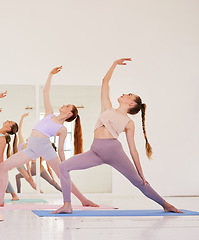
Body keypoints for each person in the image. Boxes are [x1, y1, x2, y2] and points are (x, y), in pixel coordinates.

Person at [53, 58, 182, 214]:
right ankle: (67, 205)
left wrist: (141, 173)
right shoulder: (107, 107)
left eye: (128, 95)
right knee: (63, 167)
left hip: (113, 151)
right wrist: (114, 64)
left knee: (139, 182)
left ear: (131, 104)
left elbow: (133, 150)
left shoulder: (128, 123)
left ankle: (166, 204)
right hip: (95, 152)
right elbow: (105, 82)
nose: (124, 94)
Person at [0, 66, 98, 207]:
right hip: (31, 149)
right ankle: (0, 199)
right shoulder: (49, 113)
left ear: (69, 113)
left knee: (62, 175)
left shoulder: (62, 129)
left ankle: (84, 200)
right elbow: (45, 92)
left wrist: (65, 164)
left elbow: (61, 150)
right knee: (3, 166)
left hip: (46, 149)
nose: (63, 105)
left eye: (67, 105)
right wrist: (50, 74)